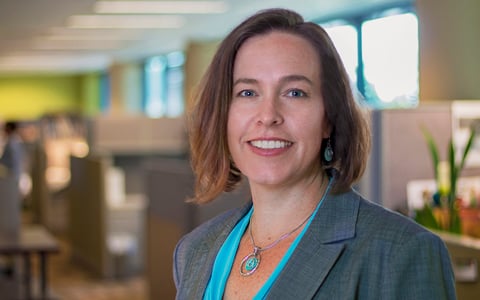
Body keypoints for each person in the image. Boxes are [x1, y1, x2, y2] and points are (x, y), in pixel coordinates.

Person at [173, 8, 456, 300]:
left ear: (329, 117)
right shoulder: (195, 250)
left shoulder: (401, 254)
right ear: (224, 115)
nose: (268, 115)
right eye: (247, 93)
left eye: (295, 93)